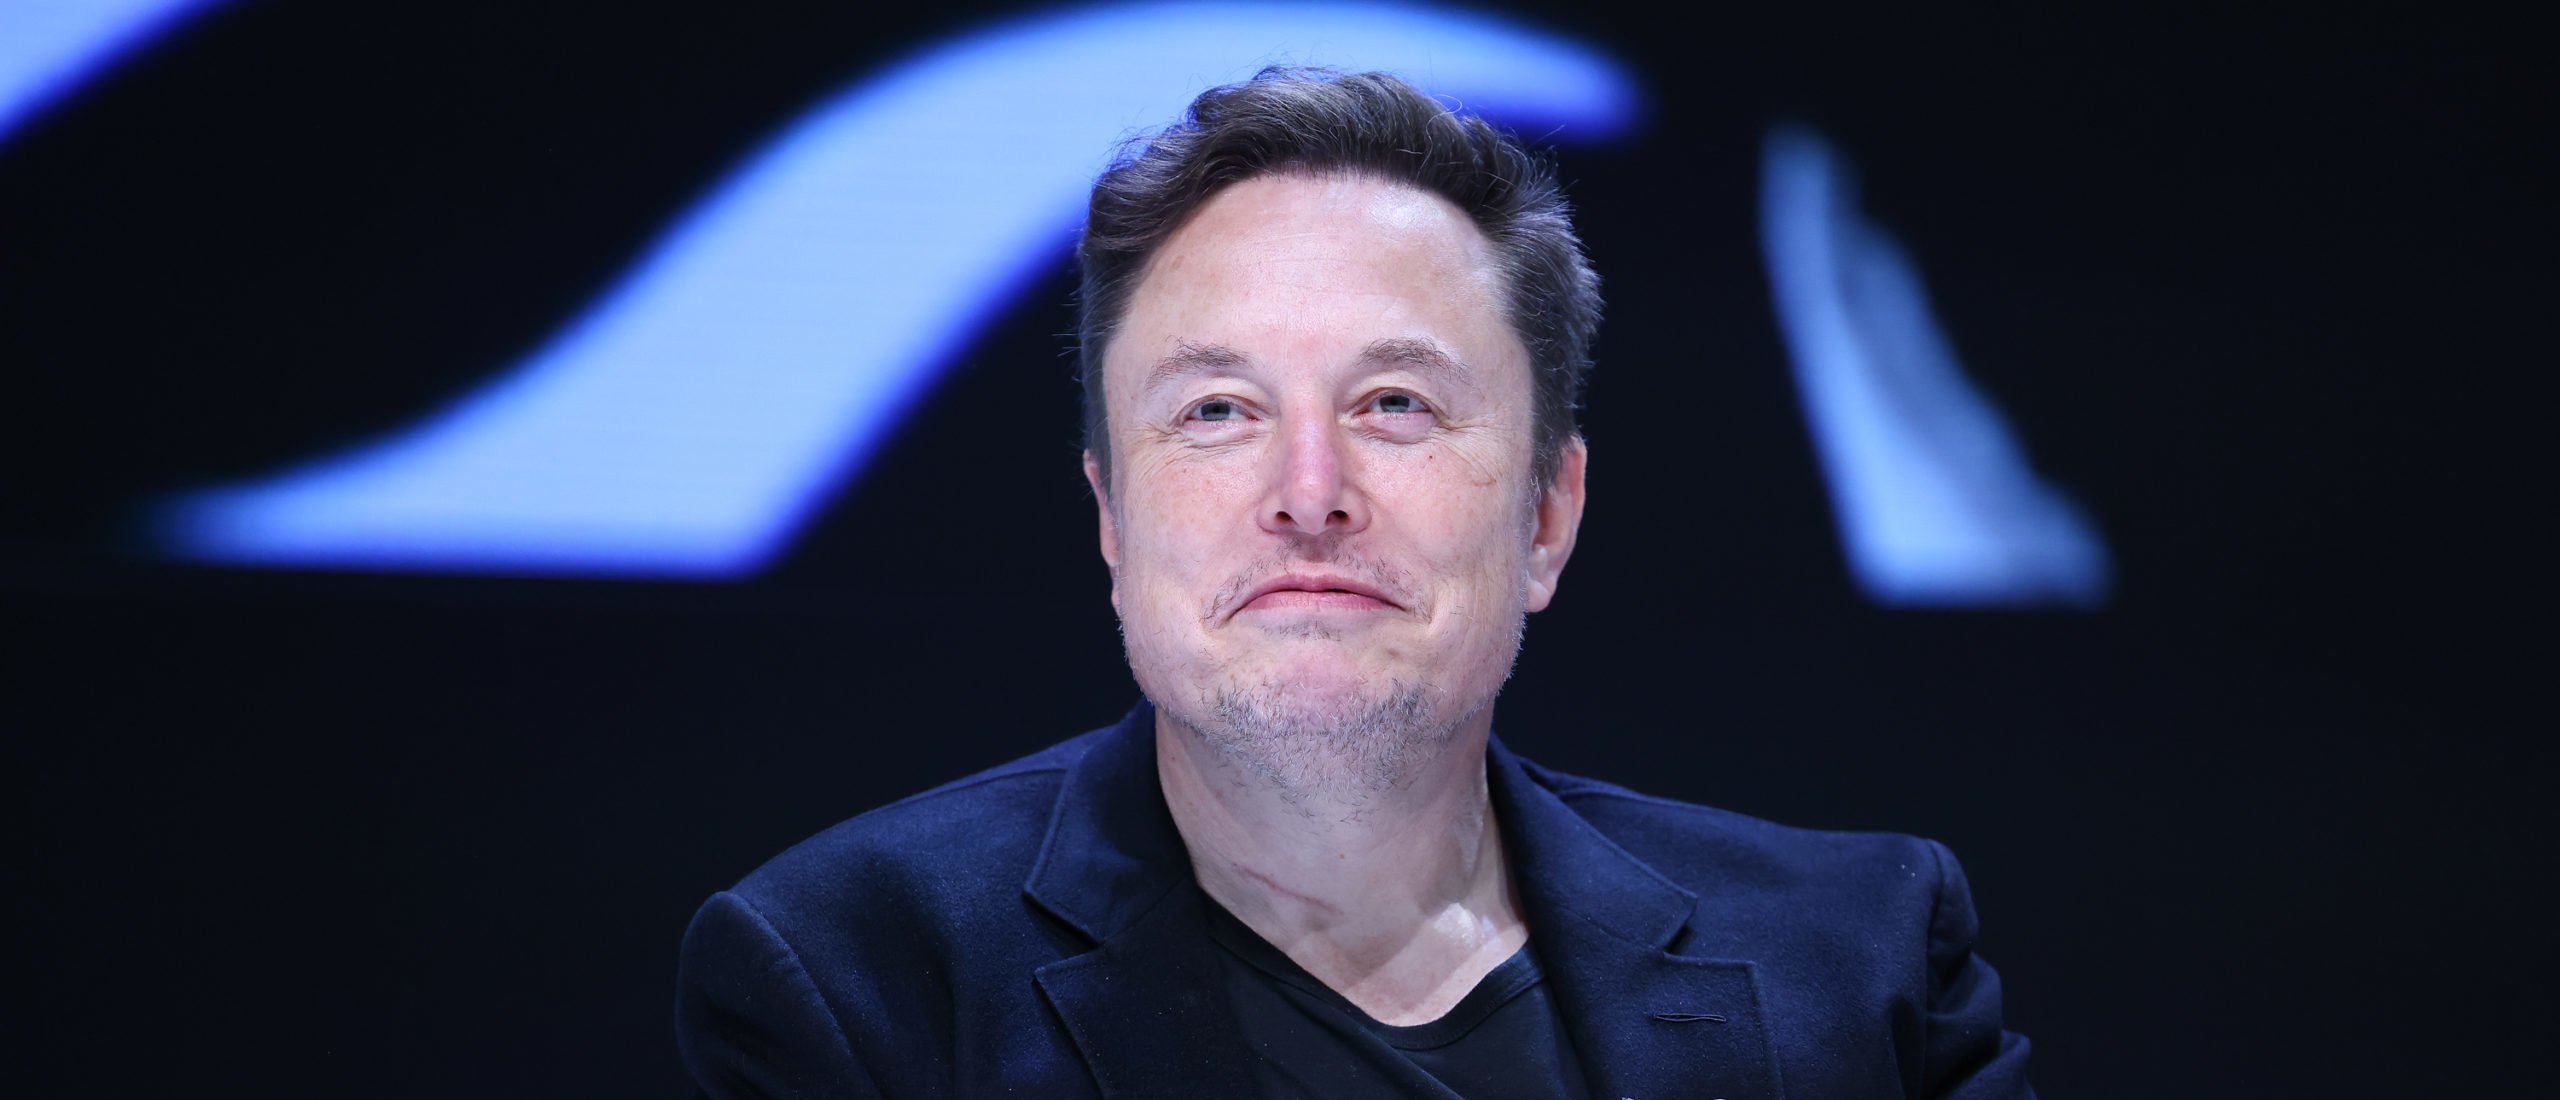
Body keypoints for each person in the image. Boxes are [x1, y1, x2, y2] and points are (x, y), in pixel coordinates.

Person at [676, 67, 2033, 1099]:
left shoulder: (1865, 974)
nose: (1308, 488)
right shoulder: (857, 985)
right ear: (1110, 519)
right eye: (1215, 411)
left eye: (1394, 403)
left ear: (1548, 515)